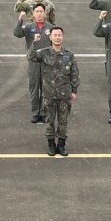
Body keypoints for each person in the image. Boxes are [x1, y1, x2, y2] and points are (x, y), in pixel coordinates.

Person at [30, 26, 80, 157]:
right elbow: (31, 56)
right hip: (49, 94)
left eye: (59, 35)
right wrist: (35, 42)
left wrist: (74, 90)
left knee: (63, 122)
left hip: (65, 95)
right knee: (49, 121)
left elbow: (74, 73)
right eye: (55, 35)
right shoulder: (44, 53)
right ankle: (51, 144)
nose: (57, 37)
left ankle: (61, 145)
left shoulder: (69, 55)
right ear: (50, 37)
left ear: (63, 37)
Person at [15, 4, 53, 124]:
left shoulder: (51, 28)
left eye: (41, 11)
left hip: (47, 63)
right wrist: (20, 20)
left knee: (46, 89)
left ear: (45, 13)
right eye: (37, 11)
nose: (39, 13)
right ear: (33, 13)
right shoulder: (28, 27)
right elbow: (17, 33)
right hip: (33, 62)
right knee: (34, 88)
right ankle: (36, 113)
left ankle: (45, 113)